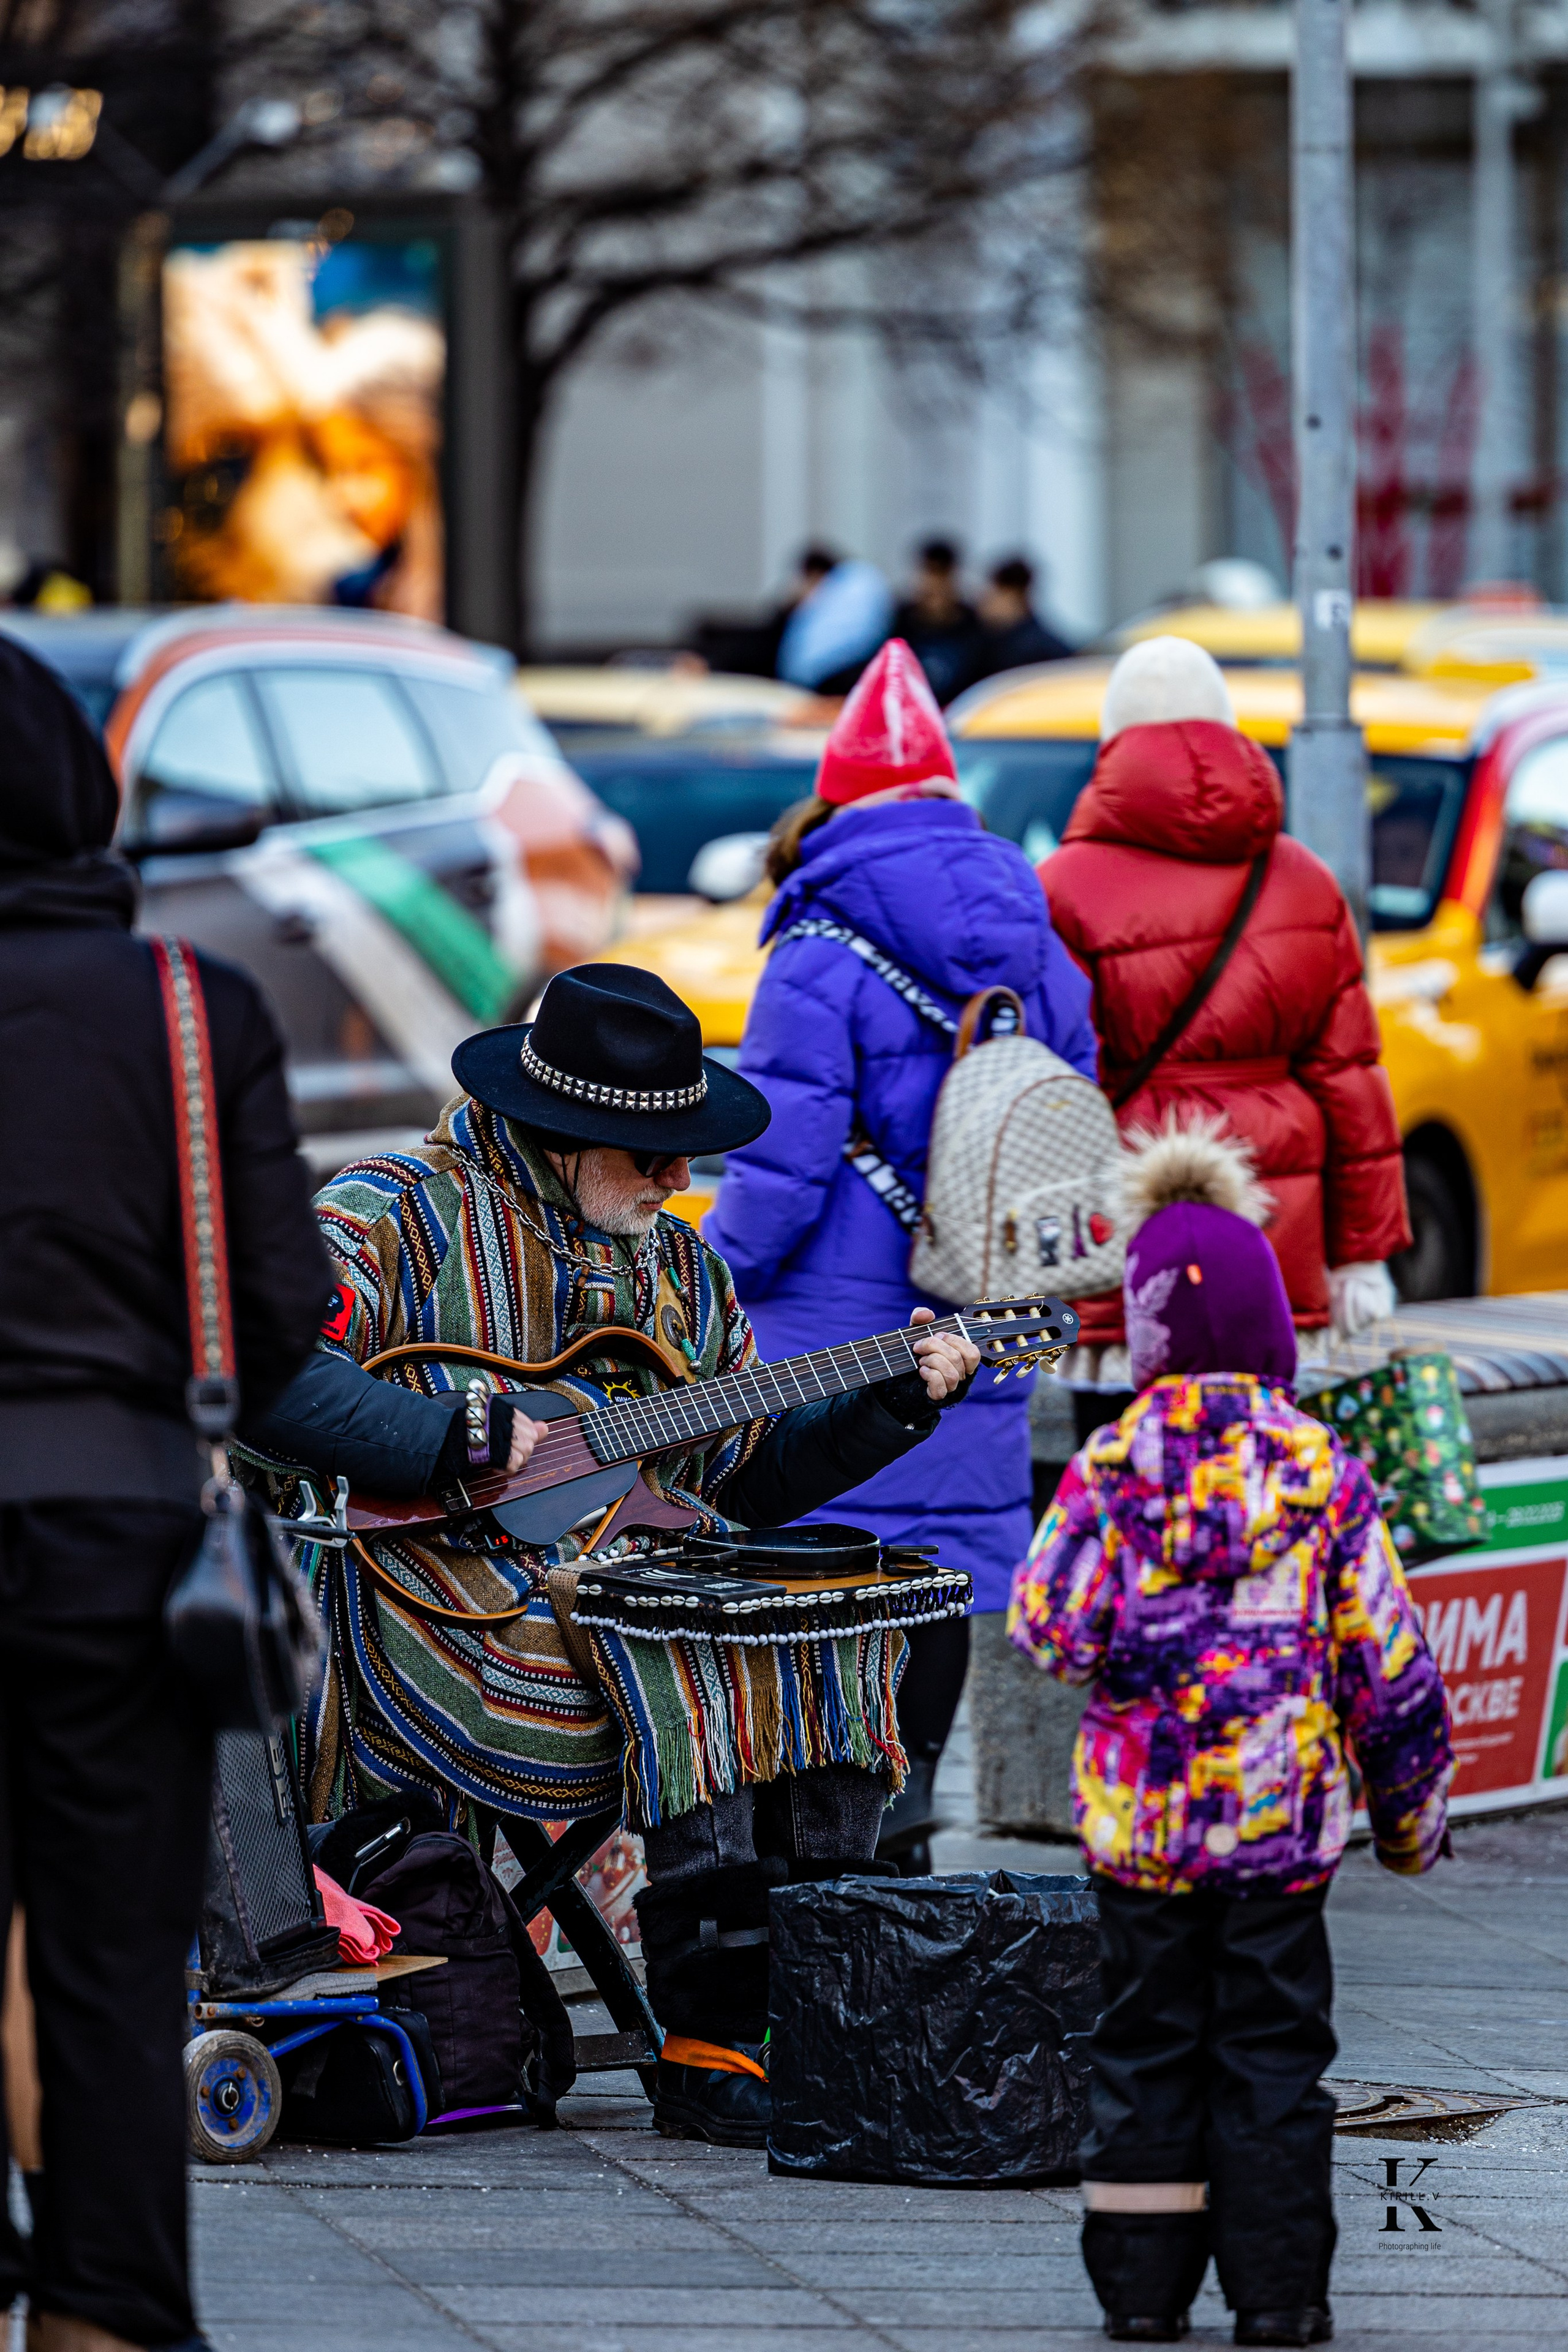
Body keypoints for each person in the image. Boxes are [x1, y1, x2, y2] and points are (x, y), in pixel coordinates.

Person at [252, 960, 978, 2147]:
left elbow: (741, 1471)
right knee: (697, 1657)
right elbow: (261, 1368)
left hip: (617, 1592)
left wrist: (888, 1402)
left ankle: (774, 2019)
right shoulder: (394, 1213)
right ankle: (701, 2040)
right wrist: (451, 1434)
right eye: (652, 1156)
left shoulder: (677, 1268)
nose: (679, 1181)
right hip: (428, 1607)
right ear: (559, 1131)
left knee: (827, 1627)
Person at [0, 637, 329, 2350]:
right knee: (115, 1976)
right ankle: (107, 2318)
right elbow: (278, 1324)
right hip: (123, 1546)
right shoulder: (197, 1015)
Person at [1008, 1122, 1452, 2347]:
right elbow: (1388, 1670)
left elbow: (1045, 1627)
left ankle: (1141, 2302)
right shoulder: (1320, 1468)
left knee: (1143, 2049)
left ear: (1145, 1331)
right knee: (1270, 2056)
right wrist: (1410, 1827)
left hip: (1142, 1835)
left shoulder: (1109, 1465)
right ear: (1268, 1327)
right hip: (1278, 1836)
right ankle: (1279, 2299)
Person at [706, 638, 1099, 1864]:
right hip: (982, 1297)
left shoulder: (818, 957)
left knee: (822, 1569)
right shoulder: (1040, 949)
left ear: (835, 805)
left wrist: (718, 1273)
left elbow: (780, 1168)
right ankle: (914, 1804)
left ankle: (824, 1825)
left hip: (839, 1318)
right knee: (942, 1569)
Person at [1040, 635, 1411, 1382]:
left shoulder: (1060, 886)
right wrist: (1362, 1254)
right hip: (1277, 1227)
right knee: (1268, 1469)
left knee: (1117, 1471)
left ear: (1113, 742)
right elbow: (1348, 1076)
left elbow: (1053, 1090)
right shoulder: (1304, 879)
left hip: (1120, 1234)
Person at [892, 536, 984, 704]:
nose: (935, 584)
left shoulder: (976, 624)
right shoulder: (898, 621)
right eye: (930, 572)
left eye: (942, 574)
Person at [969, 554, 1076, 680]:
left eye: (993, 593)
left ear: (1012, 595)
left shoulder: (1031, 650)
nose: (983, 601)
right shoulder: (1042, 641)